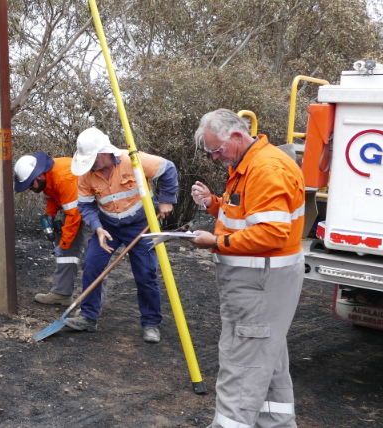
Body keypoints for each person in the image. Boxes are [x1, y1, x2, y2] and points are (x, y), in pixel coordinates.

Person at [186, 109, 305, 428]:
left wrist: (215, 243)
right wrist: (212, 202)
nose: (214, 158)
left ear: (237, 136)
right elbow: (244, 214)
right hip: (260, 282)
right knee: (268, 364)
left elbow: (272, 233)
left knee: (241, 369)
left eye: (216, 150)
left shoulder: (266, 169)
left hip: (260, 284)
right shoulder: (248, 165)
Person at [65, 127, 178, 343]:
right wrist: (98, 228)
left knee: (146, 273)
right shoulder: (86, 176)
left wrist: (166, 200)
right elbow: (86, 206)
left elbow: (169, 169)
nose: (90, 164)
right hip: (108, 227)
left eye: (92, 158)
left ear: (104, 152)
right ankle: (88, 317)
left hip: (141, 224)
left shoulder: (133, 160)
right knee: (92, 264)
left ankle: (151, 323)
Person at [14, 152, 92, 306]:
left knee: (94, 257)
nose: (29, 188)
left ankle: (91, 308)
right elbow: (52, 196)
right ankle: (61, 294)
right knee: (66, 253)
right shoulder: (47, 177)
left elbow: (74, 215)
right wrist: (50, 214)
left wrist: (63, 245)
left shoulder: (63, 177)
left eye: (30, 184)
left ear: (39, 176)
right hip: (75, 209)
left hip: (92, 210)